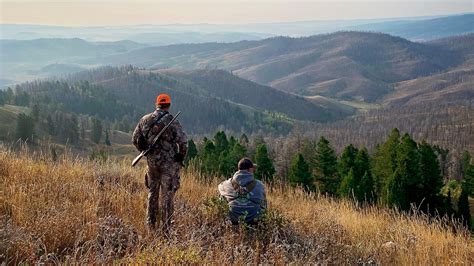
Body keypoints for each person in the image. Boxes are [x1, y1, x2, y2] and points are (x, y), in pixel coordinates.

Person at [132, 93, 187, 233]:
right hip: (169, 165)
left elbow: (135, 139)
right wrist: (180, 157)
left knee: (152, 193)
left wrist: (144, 151)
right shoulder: (172, 121)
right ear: (168, 105)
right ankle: (166, 228)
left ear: (157, 104)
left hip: (152, 164)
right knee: (167, 196)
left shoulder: (145, 120)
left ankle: (150, 224)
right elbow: (183, 143)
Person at [218, 158, 267, 225]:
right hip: (253, 221)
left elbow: (219, 187)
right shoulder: (260, 185)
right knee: (263, 201)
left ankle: (223, 224)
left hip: (233, 220)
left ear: (239, 169)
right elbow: (264, 204)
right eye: (253, 169)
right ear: (250, 170)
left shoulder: (224, 184)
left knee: (221, 196)